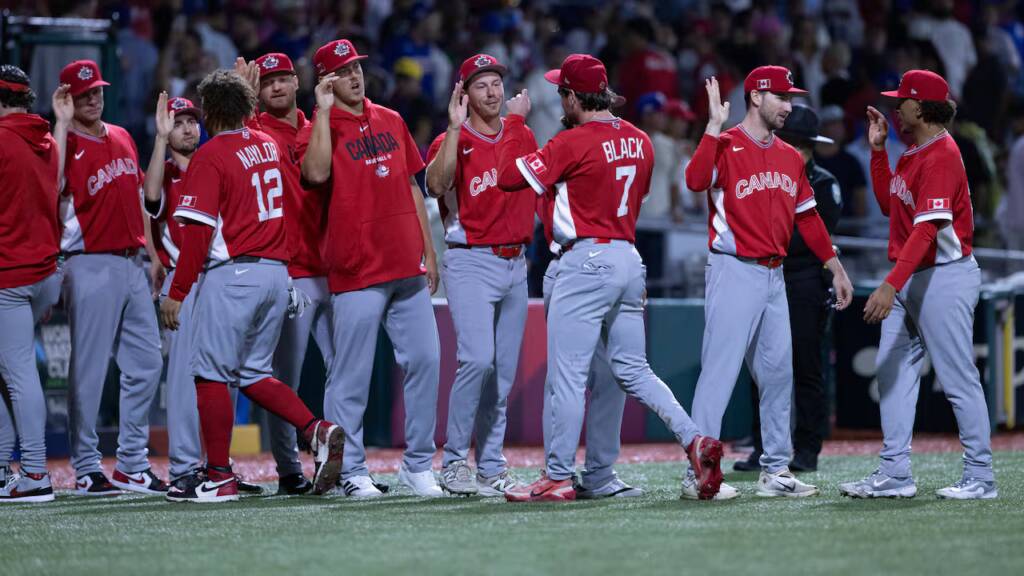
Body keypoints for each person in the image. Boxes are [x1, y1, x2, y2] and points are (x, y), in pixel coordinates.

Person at [495, 54, 725, 502]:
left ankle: (558, 476)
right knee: (629, 371)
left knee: (567, 377)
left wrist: (515, 125)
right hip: (627, 257)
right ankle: (688, 441)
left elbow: (507, 177)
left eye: (563, 92)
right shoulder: (641, 140)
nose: (560, 99)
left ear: (575, 97)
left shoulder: (571, 141)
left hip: (584, 261)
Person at [158, 69, 345, 503]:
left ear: (208, 112)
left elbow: (198, 235)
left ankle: (219, 476)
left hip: (234, 273)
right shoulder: (267, 144)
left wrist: (178, 291)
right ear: (247, 107)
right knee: (253, 373)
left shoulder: (210, 155)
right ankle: (315, 428)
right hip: (277, 273)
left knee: (208, 373)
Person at [684, 67, 853, 499]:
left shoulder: (790, 155)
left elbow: (808, 218)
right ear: (756, 97)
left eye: (790, 96)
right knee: (719, 374)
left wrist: (834, 265)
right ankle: (697, 474)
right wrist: (711, 128)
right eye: (781, 96)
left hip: (775, 274)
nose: (789, 104)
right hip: (734, 268)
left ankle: (775, 469)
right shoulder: (723, 144)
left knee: (779, 375)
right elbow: (695, 181)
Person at [841, 70, 996, 500]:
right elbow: (892, 208)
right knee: (892, 372)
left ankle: (981, 476)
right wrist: (877, 153)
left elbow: (927, 233)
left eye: (902, 100)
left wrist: (889, 285)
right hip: (914, 276)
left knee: (958, 377)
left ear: (923, 107)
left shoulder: (943, 154)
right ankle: (895, 473)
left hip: (944, 277)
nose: (895, 106)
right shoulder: (913, 150)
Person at [300, 39, 442, 499]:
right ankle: (351, 471)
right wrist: (321, 112)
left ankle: (419, 466)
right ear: (325, 81)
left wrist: (429, 250)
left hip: (405, 264)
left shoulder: (391, 118)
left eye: (357, 67)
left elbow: (413, 186)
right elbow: (316, 174)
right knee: (350, 376)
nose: (355, 76)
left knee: (426, 360)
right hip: (357, 268)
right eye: (343, 71)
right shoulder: (320, 127)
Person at [424, 54, 533, 497]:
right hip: (470, 259)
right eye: (481, 85)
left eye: (496, 83)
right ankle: (453, 463)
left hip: (516, 262)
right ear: (463, 94)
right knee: (477, 360)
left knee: (502, 374)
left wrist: (518, 128)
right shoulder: (453, 137)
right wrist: (452, 128)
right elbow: (435, 185)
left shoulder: (519, 134)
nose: (492, 92)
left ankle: (490, 465)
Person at [58, 59, 168, 496]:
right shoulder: (60, 144)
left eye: (97, 90)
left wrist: (153, 251)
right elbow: (48, 189)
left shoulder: (121, 135)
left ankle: (131, 463)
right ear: (67, 98)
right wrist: (62, 129)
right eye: (84, 93)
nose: (94, 98)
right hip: (87, 262)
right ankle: (86, 466)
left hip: (132, 262)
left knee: (146, 363)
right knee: (87, 370)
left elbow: (142, 197)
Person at [733, 104, 842, 473]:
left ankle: (808, 447)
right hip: (769, 273)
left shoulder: (824, 184)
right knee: (760, 367)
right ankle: (762, 446)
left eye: (800, 145)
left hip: (806, 279)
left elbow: (811, 235)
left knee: (807, 367)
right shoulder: (769, 171)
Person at [252, 51, 328, 496]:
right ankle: (288, 470)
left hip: (333, 266)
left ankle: (345, 465)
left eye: (283, 78)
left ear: (297, 82)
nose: (277, 87)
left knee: (344, 372)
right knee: (285, 379)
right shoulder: (254, 131)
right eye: (268, 82)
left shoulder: (316, 126)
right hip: (289, 269)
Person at [0, 66, 67, 503]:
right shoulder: (46, 138)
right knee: (8, 375)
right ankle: (4, 466)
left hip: (11, 275)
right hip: (45, 272)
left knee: (18, 375)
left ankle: (37, 474)